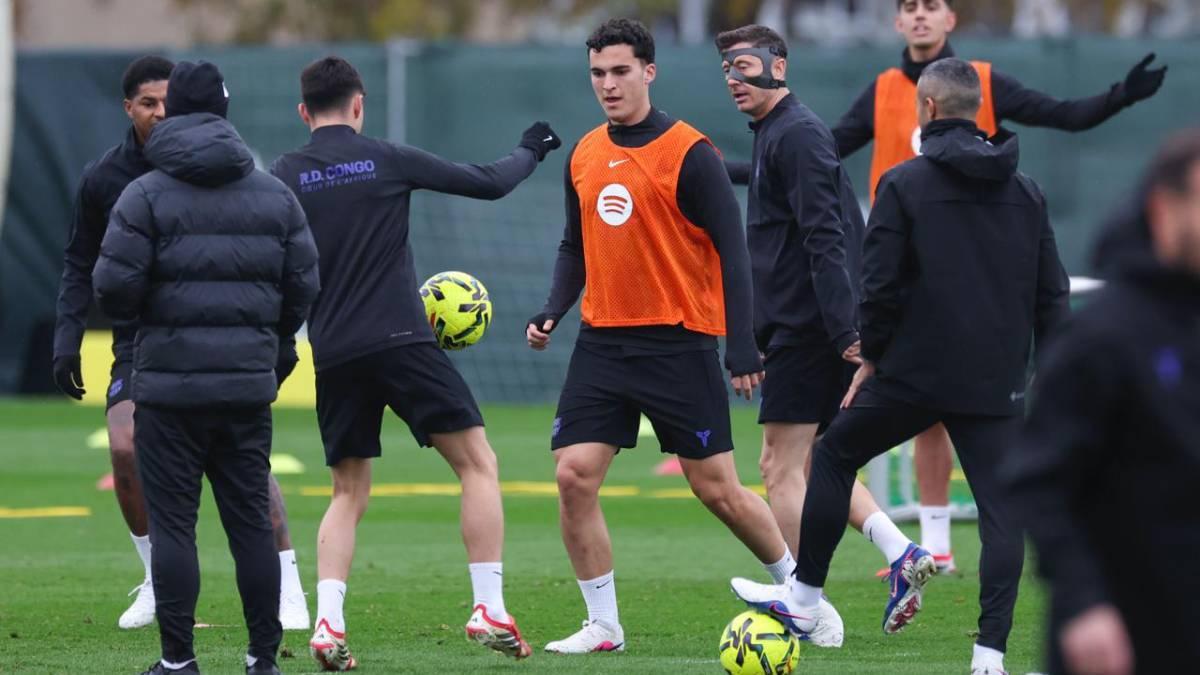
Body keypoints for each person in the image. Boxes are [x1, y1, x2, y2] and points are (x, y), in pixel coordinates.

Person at [731, 59, 1070, 675]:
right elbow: (1054, 295)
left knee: (832, 455)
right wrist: (1044, 373)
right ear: (977, 111)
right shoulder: (1027, 192)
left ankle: (804, 599)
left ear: (929, 110)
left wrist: (873, 360)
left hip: (914, 376)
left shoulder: (903, 183)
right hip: (996, 384)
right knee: (1002, 515)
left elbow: (880, 286)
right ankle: (990, 655)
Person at [526, 18, 843, 654]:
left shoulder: (690, 153)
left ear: (649, 72)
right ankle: (604, 625)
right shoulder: (585, 154)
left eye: (620, 71)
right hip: (603, 342)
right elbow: (573, 245)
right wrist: (553, 309)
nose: (608, 85)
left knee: (717, 490)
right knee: (573, 477)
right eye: (597, 73)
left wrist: (741, 347)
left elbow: (734, 250)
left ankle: (804, 597)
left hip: (678, 341)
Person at [832, 0, 1167, 572]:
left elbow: (1063, 114)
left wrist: (1122, 95)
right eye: (907, 7)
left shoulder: (980, 83)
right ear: (896, 22)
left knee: (938, 414)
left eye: (929, 6)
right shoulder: (884, 89)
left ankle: (942, 544)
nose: (918, 16)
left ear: (949, 19)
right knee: (913, 415)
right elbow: (826, 149)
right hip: (896, 273)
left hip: (966, 270)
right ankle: (933, 543)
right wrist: (742, 165)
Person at [271, 56, 560, 670]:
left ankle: (328, 623)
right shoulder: (384, 157)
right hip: (403, 339)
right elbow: (489, 181)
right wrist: (532, 147)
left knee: (347, 492)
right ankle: (487, 605)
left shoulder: (284, 175)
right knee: (478, 462)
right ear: (359, 104)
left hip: (336, 352)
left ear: (303, 112)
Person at [51, 54, 311, 632]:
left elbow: (293, 274)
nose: (161, 113)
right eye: (148, 103)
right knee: (125, 448)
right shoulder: (109, 179)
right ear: (129, 108)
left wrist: (278, 345)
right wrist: (68, 335)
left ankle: (289, 584)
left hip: (209, 345)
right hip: (142, 346)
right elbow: (82, 263)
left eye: (170, 102)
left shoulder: (238, 175)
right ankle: (154, 580)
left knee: (243, 468)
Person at [714, 23, 917, 578]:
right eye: (727, 69)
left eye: (745, 64)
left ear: (778, 66)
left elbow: (825, 236)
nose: (735, 77)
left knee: (778, 469)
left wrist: (842, 331)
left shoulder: (796, 133)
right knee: (818, 459)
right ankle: (902, 552)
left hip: (809, 329)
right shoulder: (775, 132)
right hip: (815, 325)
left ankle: (806, 602)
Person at [1007, 130, 1200, 675]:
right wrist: (1086, 604)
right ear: (1165, 211)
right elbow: (1040, 483)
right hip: (1126, 635)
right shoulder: (1105, 337)